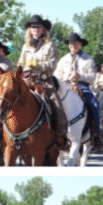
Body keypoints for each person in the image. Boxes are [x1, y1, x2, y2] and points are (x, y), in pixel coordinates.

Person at [17, 14, 70, 150]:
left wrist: (35, 64)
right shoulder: (25, 46)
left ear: (43, 29)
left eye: (38, 26)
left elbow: (53, 65)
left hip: (44, 80)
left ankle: (60, 135)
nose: (35, 29)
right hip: (26, 79)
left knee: (55, 102)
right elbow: (20, 64)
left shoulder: (50, 45)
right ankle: (4, 133)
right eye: (32, 26)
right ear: (29, 29)